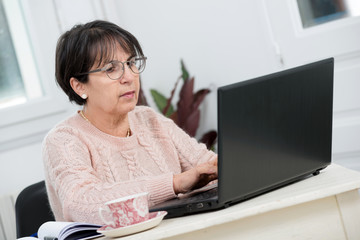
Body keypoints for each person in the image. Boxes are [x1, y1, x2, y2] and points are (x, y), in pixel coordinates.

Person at [42, 20, 218, 224]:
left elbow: (207, 166)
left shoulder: (149, 119)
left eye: (131, 63)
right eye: (111, 68)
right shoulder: (64, 139)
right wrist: (174, 183)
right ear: (79, 86)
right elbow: (80, 205)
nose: (129, 76)